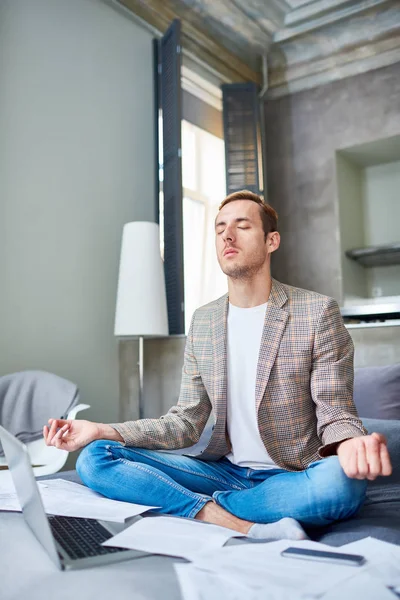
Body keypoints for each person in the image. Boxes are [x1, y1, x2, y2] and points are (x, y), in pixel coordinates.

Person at [44, 190, 392, 540]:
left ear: (272, 241)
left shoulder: (316, 313)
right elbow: (185, 423)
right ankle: (224, 518)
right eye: (220, 227)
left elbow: (335, 412)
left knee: (342, 485)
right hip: (223, 473)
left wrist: (348, 443)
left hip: (292, 475)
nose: (228, 235)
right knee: (95, 457)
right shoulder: (204, 320)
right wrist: (102, 429)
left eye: (242, 226)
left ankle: (191, 505)